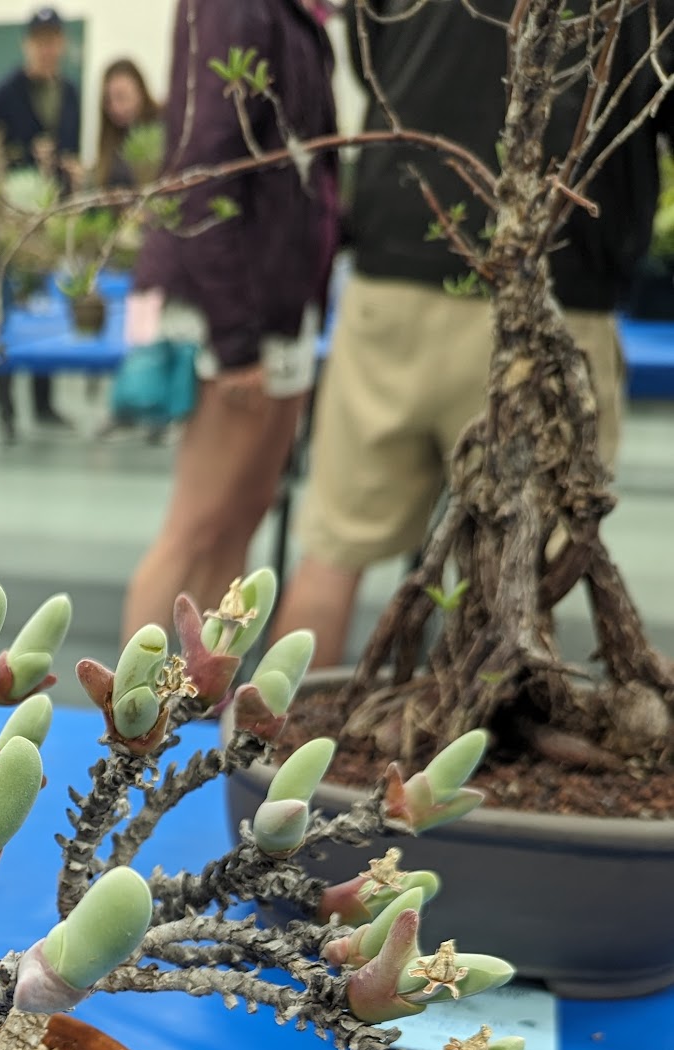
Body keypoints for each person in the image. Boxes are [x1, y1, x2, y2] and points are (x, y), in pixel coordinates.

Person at [274, 1, 674, 669]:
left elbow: (372, 58)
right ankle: (476, 755)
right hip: (557, 287)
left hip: (400, 270)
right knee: (521, 587)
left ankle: (263, 766)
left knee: (333, 556)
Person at [122, 2, 337, 636]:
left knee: (242, 515)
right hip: (237, 309)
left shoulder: (304, 19)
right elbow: (203, 173)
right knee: (196, 528)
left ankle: (197, 709)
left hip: (283, 305)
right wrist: (237, 341)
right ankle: (128, 730)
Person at [0, 8, 82, 439]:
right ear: (27, 45)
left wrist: (69, 169)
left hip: (52, 218)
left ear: (62, 44)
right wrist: (13, 163)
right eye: (40, 40)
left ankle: (44, 401)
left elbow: (69, 149)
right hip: (12, 220)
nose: (47, 48)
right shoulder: (7, 93)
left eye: (54, 40)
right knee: (8, 308)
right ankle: (5, 405)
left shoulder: (70, 93)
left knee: (47, 305)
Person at [94, 58, 163, 190]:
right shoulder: (112, 137)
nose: (115, 108)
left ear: (141, 92)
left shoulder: (162, 128)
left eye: (122, 97)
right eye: (108, 100)